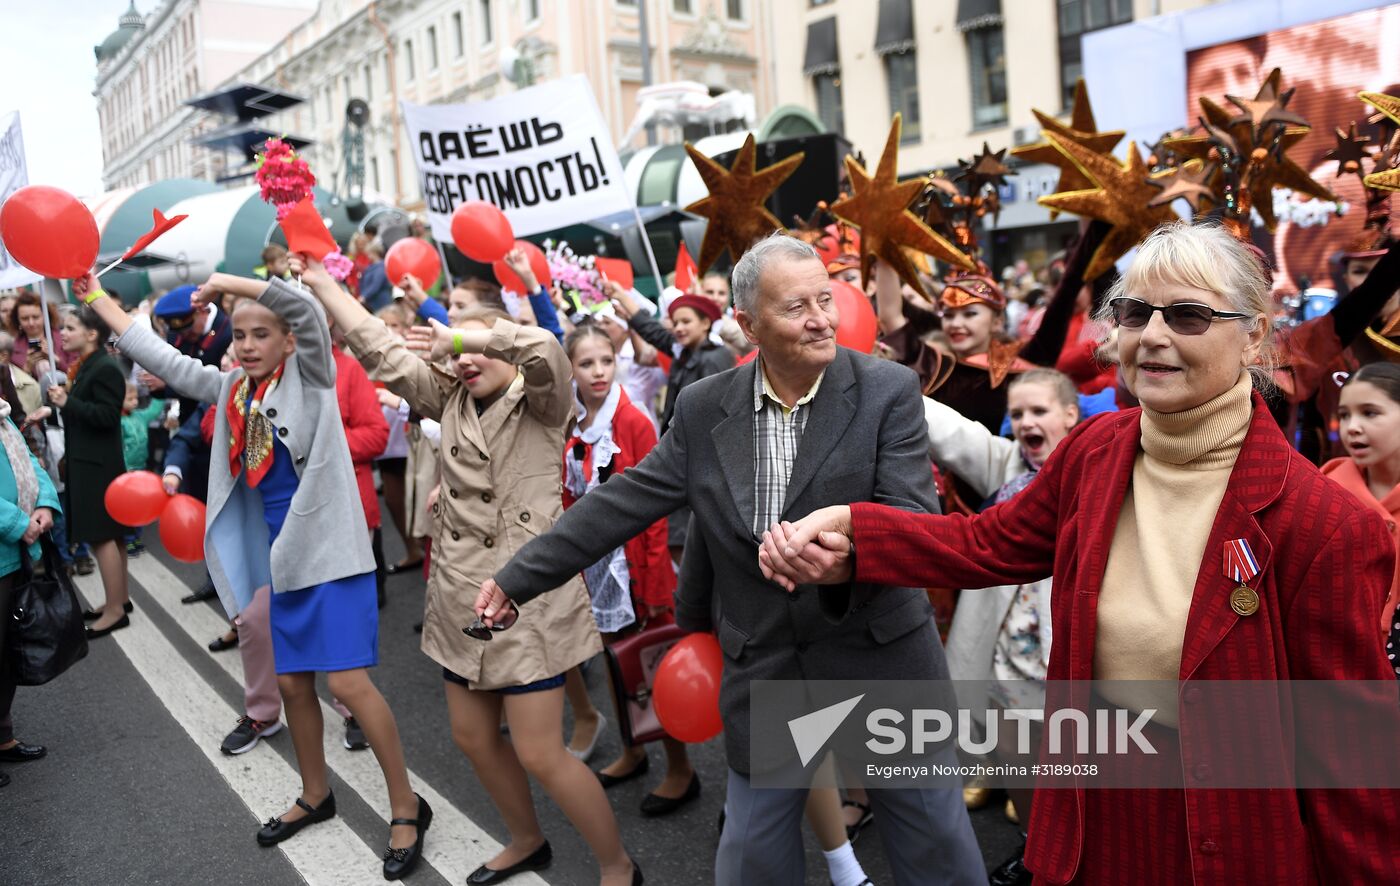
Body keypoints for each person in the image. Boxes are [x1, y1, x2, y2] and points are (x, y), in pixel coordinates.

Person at [764, 222, 1400, 884]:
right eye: (1133, 313)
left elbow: (1351, 762)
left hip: (1227, 839)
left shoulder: (1327, 525)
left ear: (1254, 334)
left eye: (1186, 315)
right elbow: (988, 542)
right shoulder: (1096, 451)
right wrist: (856, 535)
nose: (1152, 335)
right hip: (1091, 814)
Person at [476, 233, 984, 885]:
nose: (822, 318)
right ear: (746, 325)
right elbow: (623, 500)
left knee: (937, 849)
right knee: (751, 862)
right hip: (770, 666)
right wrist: (519, 577)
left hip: (879, 656)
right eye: (797, 306)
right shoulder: (703, 406)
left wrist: (845, 557)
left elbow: (916, 523)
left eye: (825, 299)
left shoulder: (887, 389)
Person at [296, 254, 640, 886]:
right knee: (472, 737)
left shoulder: (543, 400)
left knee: (540, 750)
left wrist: (463, 333)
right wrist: (322, 283)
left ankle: (618, 867)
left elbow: (542, 346)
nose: (466, 361)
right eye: (457, 354)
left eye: (478, 347)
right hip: (460, 592)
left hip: (526, 596)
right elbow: (378, 349)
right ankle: (527, 839)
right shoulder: (446, 395)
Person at [77, 271, 430, 880]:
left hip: (334, 558)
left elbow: (305, 308)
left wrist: (227, 283)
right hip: (281, 564)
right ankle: (316, 793)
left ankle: (406, 805)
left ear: (289, 341)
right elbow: (165, 356)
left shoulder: (314, 376)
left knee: (347, 687)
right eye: (238, 335)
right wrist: (93, 298)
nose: (245, 344)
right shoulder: (234, 390)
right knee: (293, 688)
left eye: (260, 334)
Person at [559, 323, 699, 814]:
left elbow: (654, 510)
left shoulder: (633, 419)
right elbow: (571, 495)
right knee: (617, 665)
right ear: (569, 369)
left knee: (655, 668)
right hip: (598, 565)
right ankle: (632, 750)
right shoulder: (574, 421)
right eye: (586, 363)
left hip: (636, 568)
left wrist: (656, 583)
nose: (598, 372)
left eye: (605, 360)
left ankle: (681, 769)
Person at [47, 304, 130, 637]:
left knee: (102, 536)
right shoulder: (87, 366)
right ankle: (119, 600)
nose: (63, 334)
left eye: (69, 328)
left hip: (98, 465)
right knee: (112, 535)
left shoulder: (104, 367)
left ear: (92, 334)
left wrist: (69, 403)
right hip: (90, 461)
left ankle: (114, 611)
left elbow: (108, 416)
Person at [1322, 362, 1400, 675]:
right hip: (1338, 663)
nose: (1352, 426)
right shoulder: (1323, 491)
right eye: (1344, 415)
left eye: (1369, 413)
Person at [0, 392, 61, 790]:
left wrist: (45, 505)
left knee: (7, 652)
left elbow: (32, 468)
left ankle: (2, 735)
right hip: (12, 538)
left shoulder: (4, 415)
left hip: (16, 552)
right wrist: (17, 522)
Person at [372, 304, 424, 575]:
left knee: (421, 491)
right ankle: (411, 548)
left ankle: (426, 547)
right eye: (384, 326)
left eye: (394, 325)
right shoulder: (370, 356)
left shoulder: (414, 353)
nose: (390, 332)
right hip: (387, 436)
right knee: (394, 497)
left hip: (414, 433)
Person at [119, 381, 167, 556]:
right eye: (129, 398)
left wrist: (160, 391)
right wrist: (123, 468)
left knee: (139, 505)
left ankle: (136, 536)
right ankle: (127, 539)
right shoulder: (118, 422)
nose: (134, 402)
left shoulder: (139, 416)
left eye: (135, 398)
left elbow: (153, 410)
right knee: (127, 507)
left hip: (140, 469)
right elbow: (118, 447)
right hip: (125, 472)